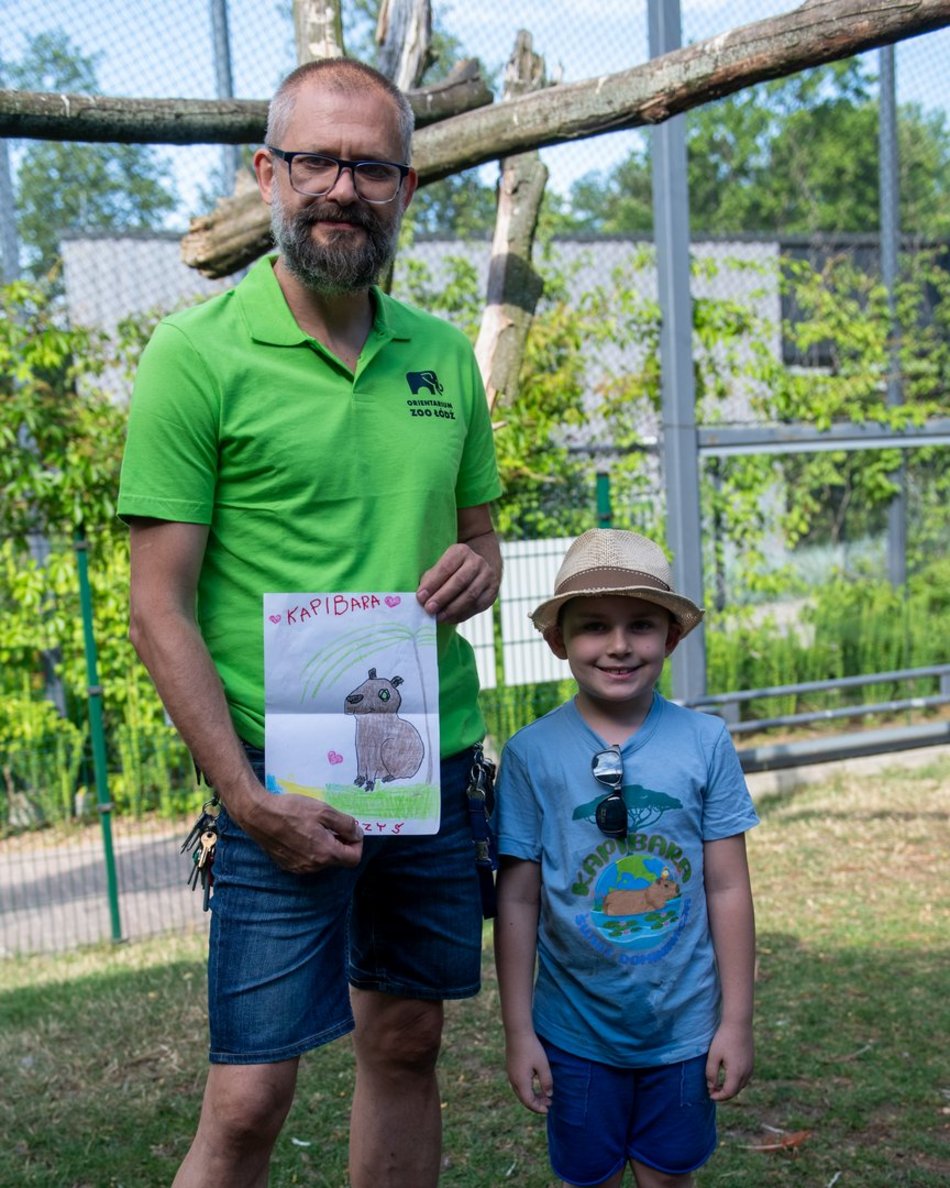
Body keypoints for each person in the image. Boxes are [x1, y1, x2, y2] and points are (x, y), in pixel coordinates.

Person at [117, 58, 502, 1188]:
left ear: (406, 186)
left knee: (406, 1042)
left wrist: (475, 571)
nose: (343, 187)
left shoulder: (441, 355)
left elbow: (477, 535)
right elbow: (158, 607)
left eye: (370, 166)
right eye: (317, 161)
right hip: (278, 778)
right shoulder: (197, 357)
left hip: (423, 761)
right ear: (266, 173)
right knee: (247, 1097)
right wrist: (244, 795)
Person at [493, 529, 758, 1188]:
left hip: (685, 1030)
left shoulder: (706, 743)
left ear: (671, 636)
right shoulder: (531, 755)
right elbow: (518, 899)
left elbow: (728, 888)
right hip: (575, 1035)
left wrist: (736, 1021)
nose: (618, 645)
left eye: (641, 625)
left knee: (669, 1175)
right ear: (558, 642)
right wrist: (519, 1032)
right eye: (593, 628)